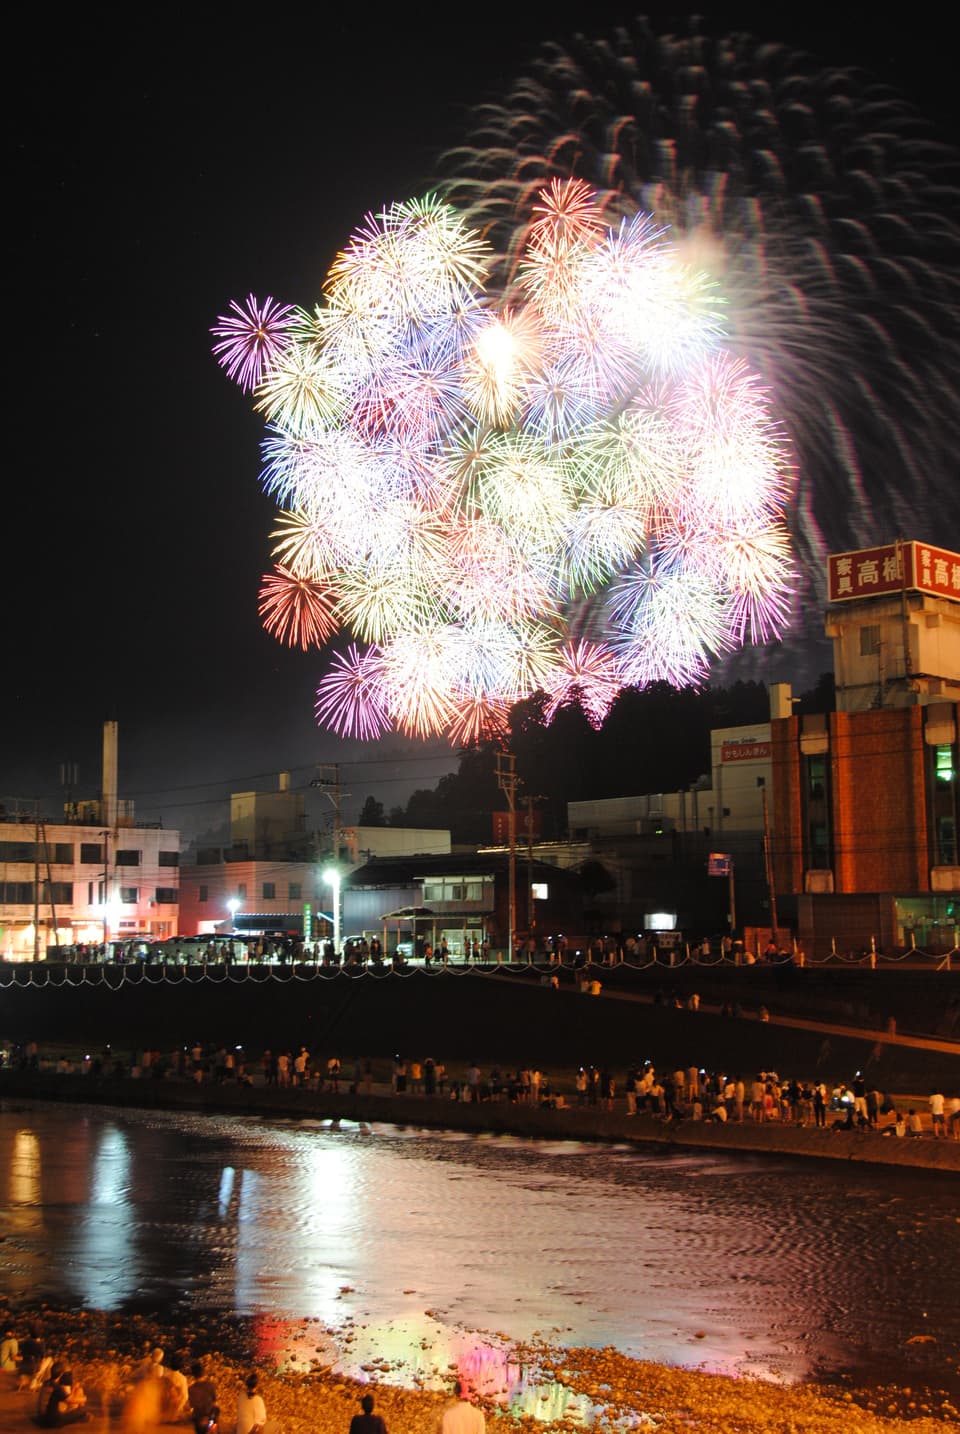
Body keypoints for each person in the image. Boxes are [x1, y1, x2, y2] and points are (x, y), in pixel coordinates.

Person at [188, 1362, 219, 1434]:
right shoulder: (210, 1385)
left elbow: (192, 1405)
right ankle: (213, 1428)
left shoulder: (191, 1388)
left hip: (198, 1418)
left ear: (193, 1375)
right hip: (209, 1416)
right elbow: (215, 1401)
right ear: (203, 1373)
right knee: (216, 1410)